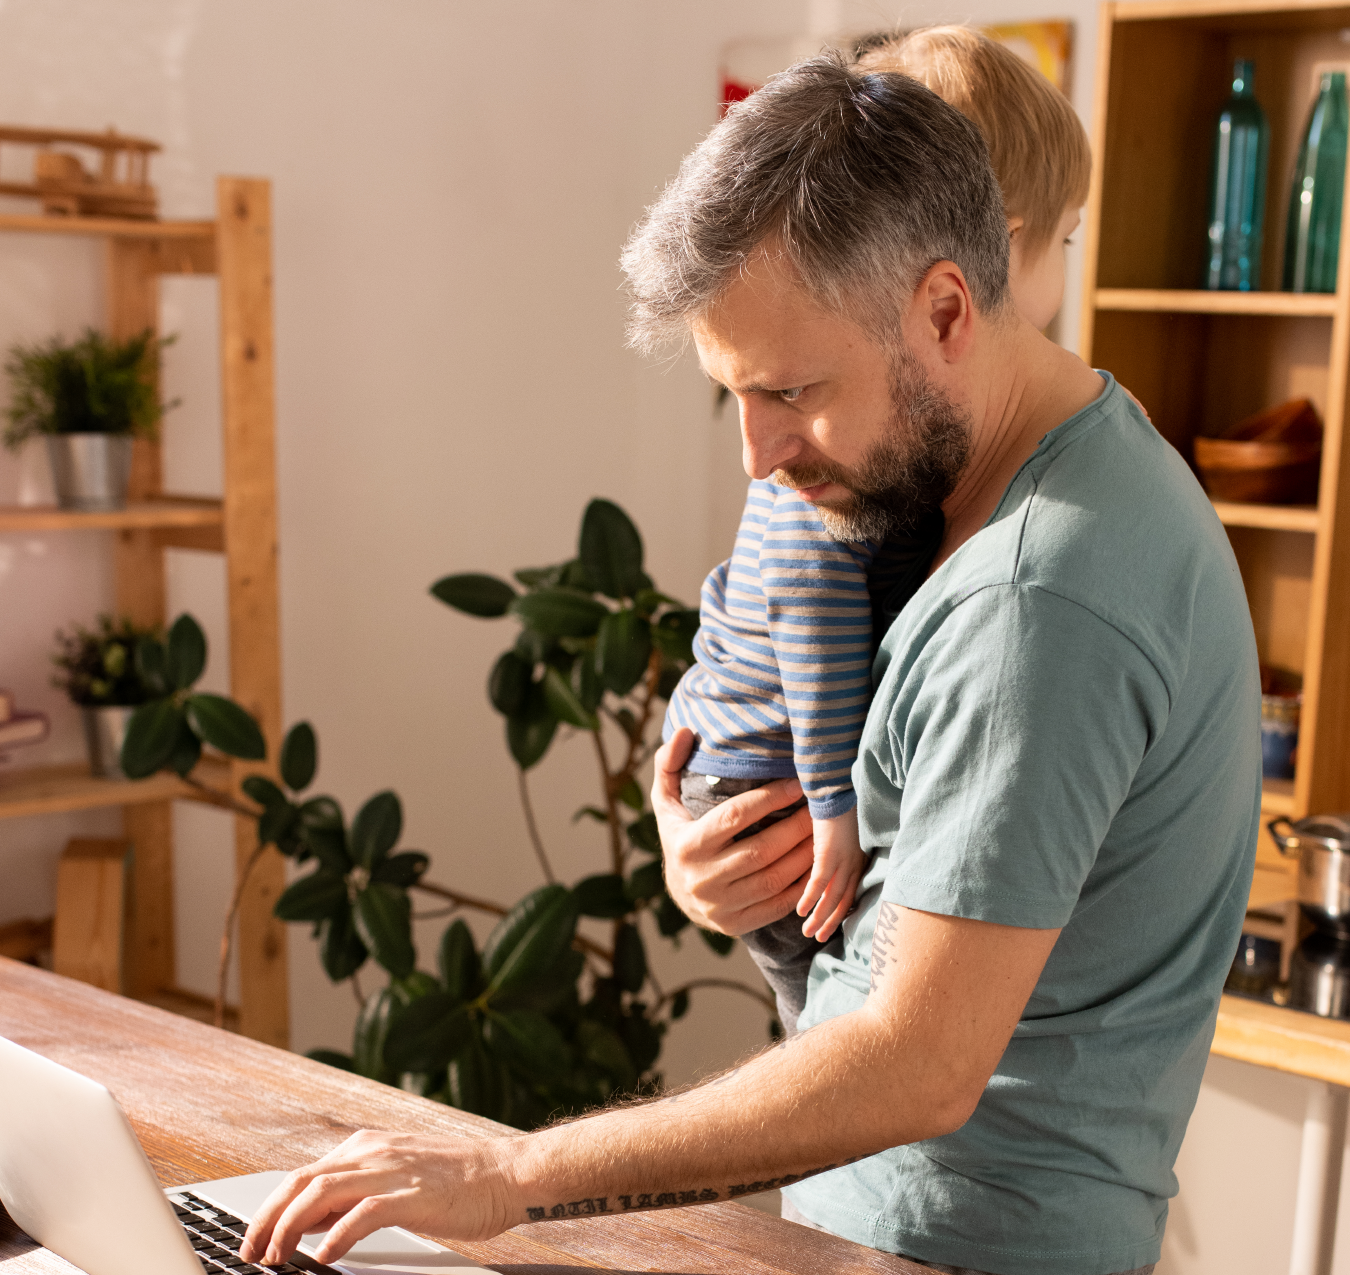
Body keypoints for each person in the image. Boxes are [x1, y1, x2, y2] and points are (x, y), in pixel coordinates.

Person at [240, 54, 1259, 1275]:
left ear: (947, 309)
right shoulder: (1016, 477)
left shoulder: (1040, 594)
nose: (757, 455)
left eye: (792, 391)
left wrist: (507, 1174)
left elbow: (919, 1064)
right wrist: (715, 858)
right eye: (733, 392)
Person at [669, 25, 1093, 1038]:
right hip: (771, 795)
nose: (759, 451)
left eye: (791, 387)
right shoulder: (856, 469)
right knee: (811, 1026)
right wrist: (706, 828)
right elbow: (788, 623)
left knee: (814, 1034)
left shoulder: (1039, 537)